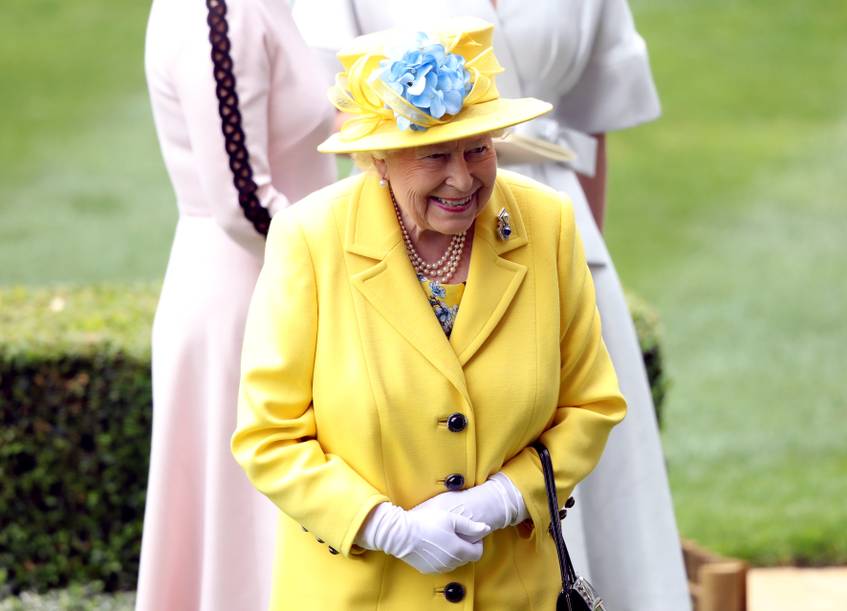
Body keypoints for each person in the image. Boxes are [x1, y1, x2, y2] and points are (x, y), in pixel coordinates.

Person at [289, 2, 690, 609]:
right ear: (379, 157)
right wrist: (386, 528)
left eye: (478, 149)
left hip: (548, 230)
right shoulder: (311, 241)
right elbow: (272, 436)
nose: (460, 176)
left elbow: (588, 405)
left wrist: (507, 497)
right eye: (435, 154)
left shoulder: (550, 225)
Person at [138, 0, 335, 609]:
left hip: (280, 281)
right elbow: (242, 203)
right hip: (248, 298)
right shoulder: (217, 15)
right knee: (248, 525)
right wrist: (349, 261)